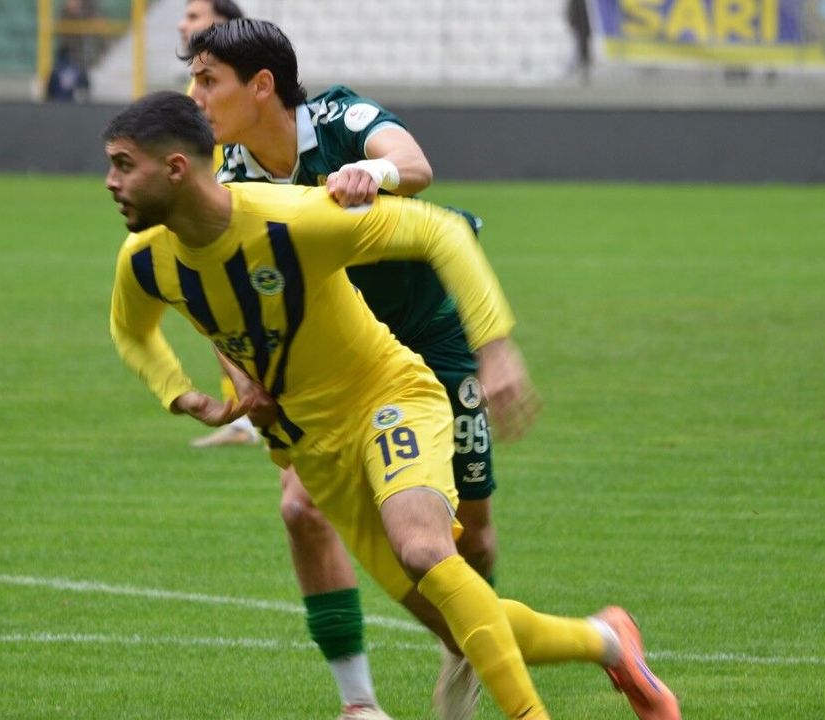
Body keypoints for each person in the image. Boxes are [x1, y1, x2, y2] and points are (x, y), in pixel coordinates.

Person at [105, 90, 680, 720]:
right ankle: (607, 641)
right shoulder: (145, 263)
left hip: (389, 398)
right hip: (314, 450)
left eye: (124, 165)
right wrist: (181, 392)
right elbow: (133, 331)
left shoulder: (291, 221)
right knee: (454, 623)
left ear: (176, 168)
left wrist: (495, 348)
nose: (110, 182)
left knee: (424, 549)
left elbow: (441, 230)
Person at [182, 18, 482, 720]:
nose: (193, 99)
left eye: (207, 81)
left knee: (474, 533)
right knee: (300, 509)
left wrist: (372, 173)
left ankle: (475, 644)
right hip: (335, 360)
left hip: (425, 332)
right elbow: (211, 292)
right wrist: (242, 380)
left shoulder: (339, 118)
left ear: (262, 86)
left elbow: (414, 163)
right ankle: (359, 704)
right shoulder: (227, 180)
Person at [175, 0, 254, 448]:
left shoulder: (238, 80)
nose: (182, 24)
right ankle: (246, 414)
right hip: (218, 206)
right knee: (217, 309)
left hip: (242, 205)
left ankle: (254, 413)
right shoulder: (199, 83)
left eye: (193, 16)